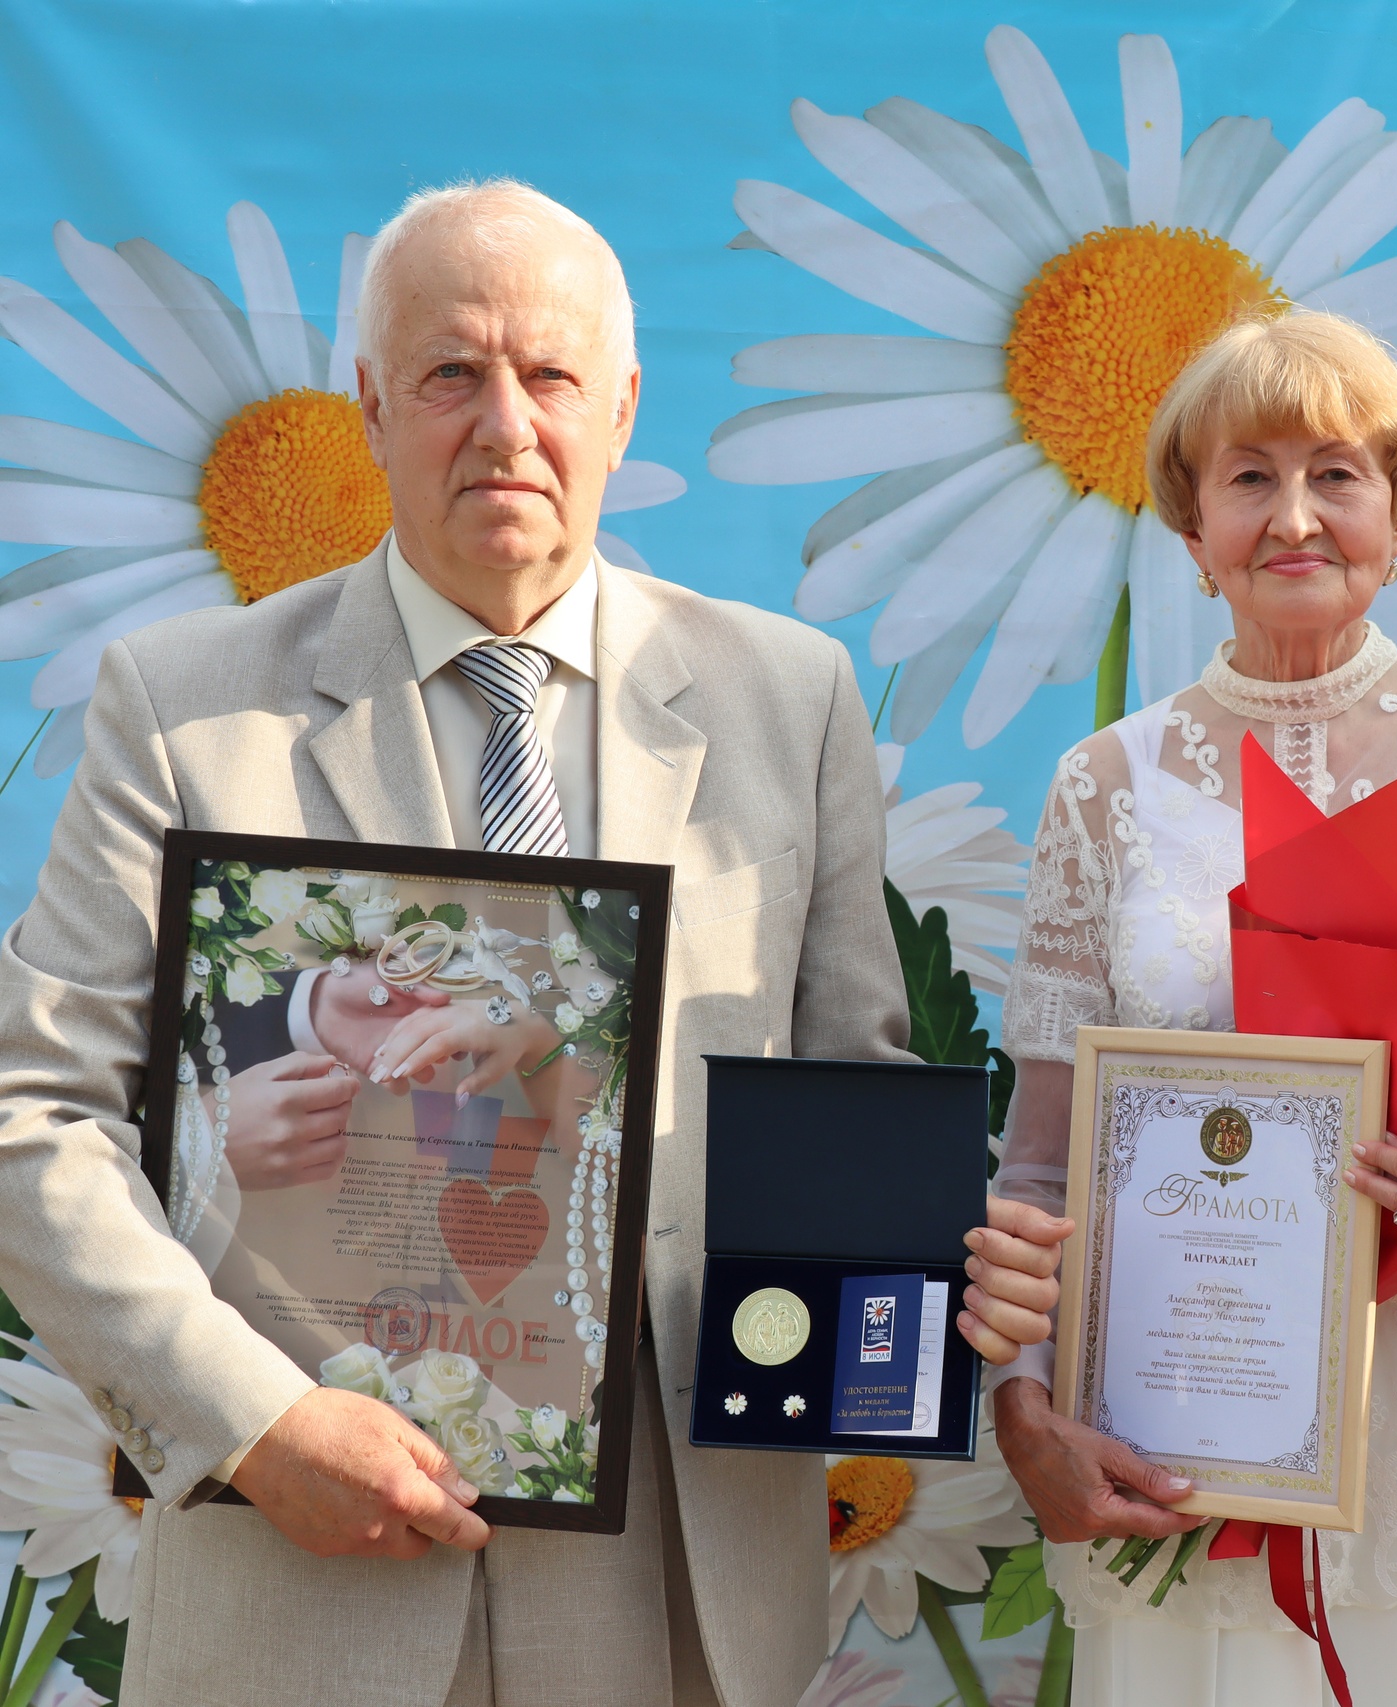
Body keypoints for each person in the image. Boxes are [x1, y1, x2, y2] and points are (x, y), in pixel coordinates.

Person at [0, 179, 1065, 1707]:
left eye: (550, 374)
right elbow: (33, 1117)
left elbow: (844, 1097)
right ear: (368, 408)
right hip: (303, 1560)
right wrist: (249, 1421)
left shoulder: (791, 697)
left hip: (673, 1572)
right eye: (450, 373)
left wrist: (946, 1275)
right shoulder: (182, 704)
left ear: (624, 407)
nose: (505, 425)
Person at [989, 308, 1397, 1706]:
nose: (1295, 516)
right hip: (1190, 1413)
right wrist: (1027, 1406)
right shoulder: (1103, 788)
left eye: (1337, 473)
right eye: (1249, 477)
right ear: (1191, 528)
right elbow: (1041, 1166)